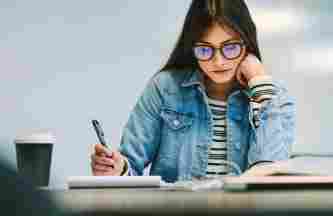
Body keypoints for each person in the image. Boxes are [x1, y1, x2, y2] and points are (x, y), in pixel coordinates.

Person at [90, 0, 295, 183]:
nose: (218, 61)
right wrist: (118, 168)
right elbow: (131, 166)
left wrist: (259, 84)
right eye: (205, 49)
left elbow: (269, 174)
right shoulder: (165, 88)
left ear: (247, 44)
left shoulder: (274, 96)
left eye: (230, 47)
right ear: (192, 48)